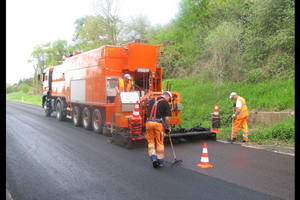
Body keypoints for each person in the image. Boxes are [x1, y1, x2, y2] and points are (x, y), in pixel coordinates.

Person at [145, 91, 172, 168]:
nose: (168, 101)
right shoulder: (165, 103)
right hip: (158, 123)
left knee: (150, 141)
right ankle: (160, 162)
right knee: (159, 142)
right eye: (169, 99)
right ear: (167, 95)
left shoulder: (152, 100)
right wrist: (168, 128)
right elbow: (167, 119)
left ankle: (153, 157)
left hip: (149, 122)